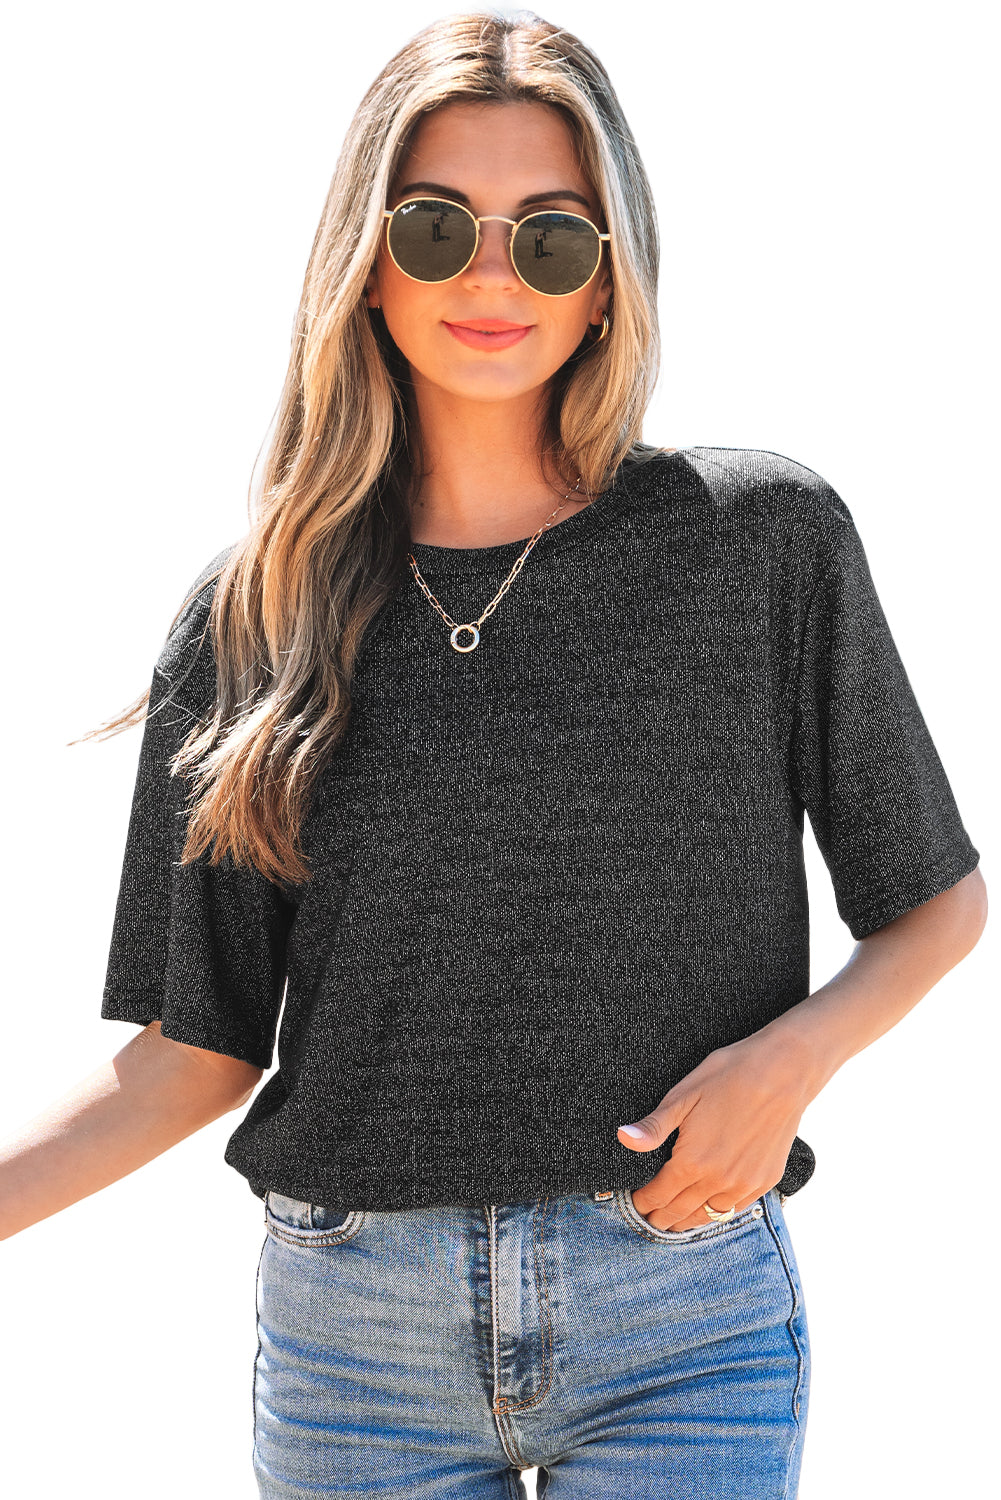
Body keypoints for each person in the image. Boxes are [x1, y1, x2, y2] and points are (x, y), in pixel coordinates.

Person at [0, 11, 986, 1499]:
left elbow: (933, 899)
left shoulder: (759, 543)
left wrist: (788, 1064)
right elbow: (191, 1058)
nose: (489, 274)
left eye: (550, 236)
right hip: (355, 1347)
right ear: (366, 261)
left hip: (681, 1312)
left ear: (609, 277)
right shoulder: (254, 615)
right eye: (436, 225)